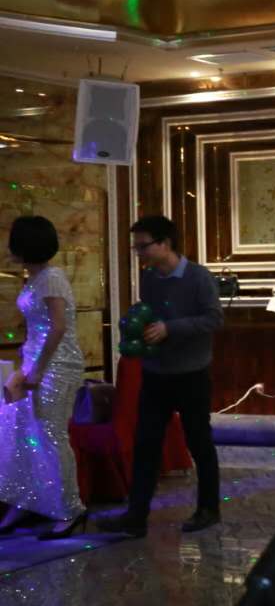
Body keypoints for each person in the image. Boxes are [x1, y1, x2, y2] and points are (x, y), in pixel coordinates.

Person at [99, 216, 223, 537]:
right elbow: (150, 314)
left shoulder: (198, 277)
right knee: (146, 443)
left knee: (199, 441)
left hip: (192, 373)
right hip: (156, 373)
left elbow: (213, 319)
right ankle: (136, 516)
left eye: (143, 246)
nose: (139, 253)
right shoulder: (150, 278)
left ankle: (208, 509)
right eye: (136, 247)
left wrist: (171, 328)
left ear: (165, 243)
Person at [0, 216, 88, 540]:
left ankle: (71, 508)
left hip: (57, 366)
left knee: (51, 436)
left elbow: (58, 327)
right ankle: (28, 501)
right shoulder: (36, 278)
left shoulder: (52, 278)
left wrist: (36, 369)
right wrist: (25, 367)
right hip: (36, 363)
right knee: (24, 433)